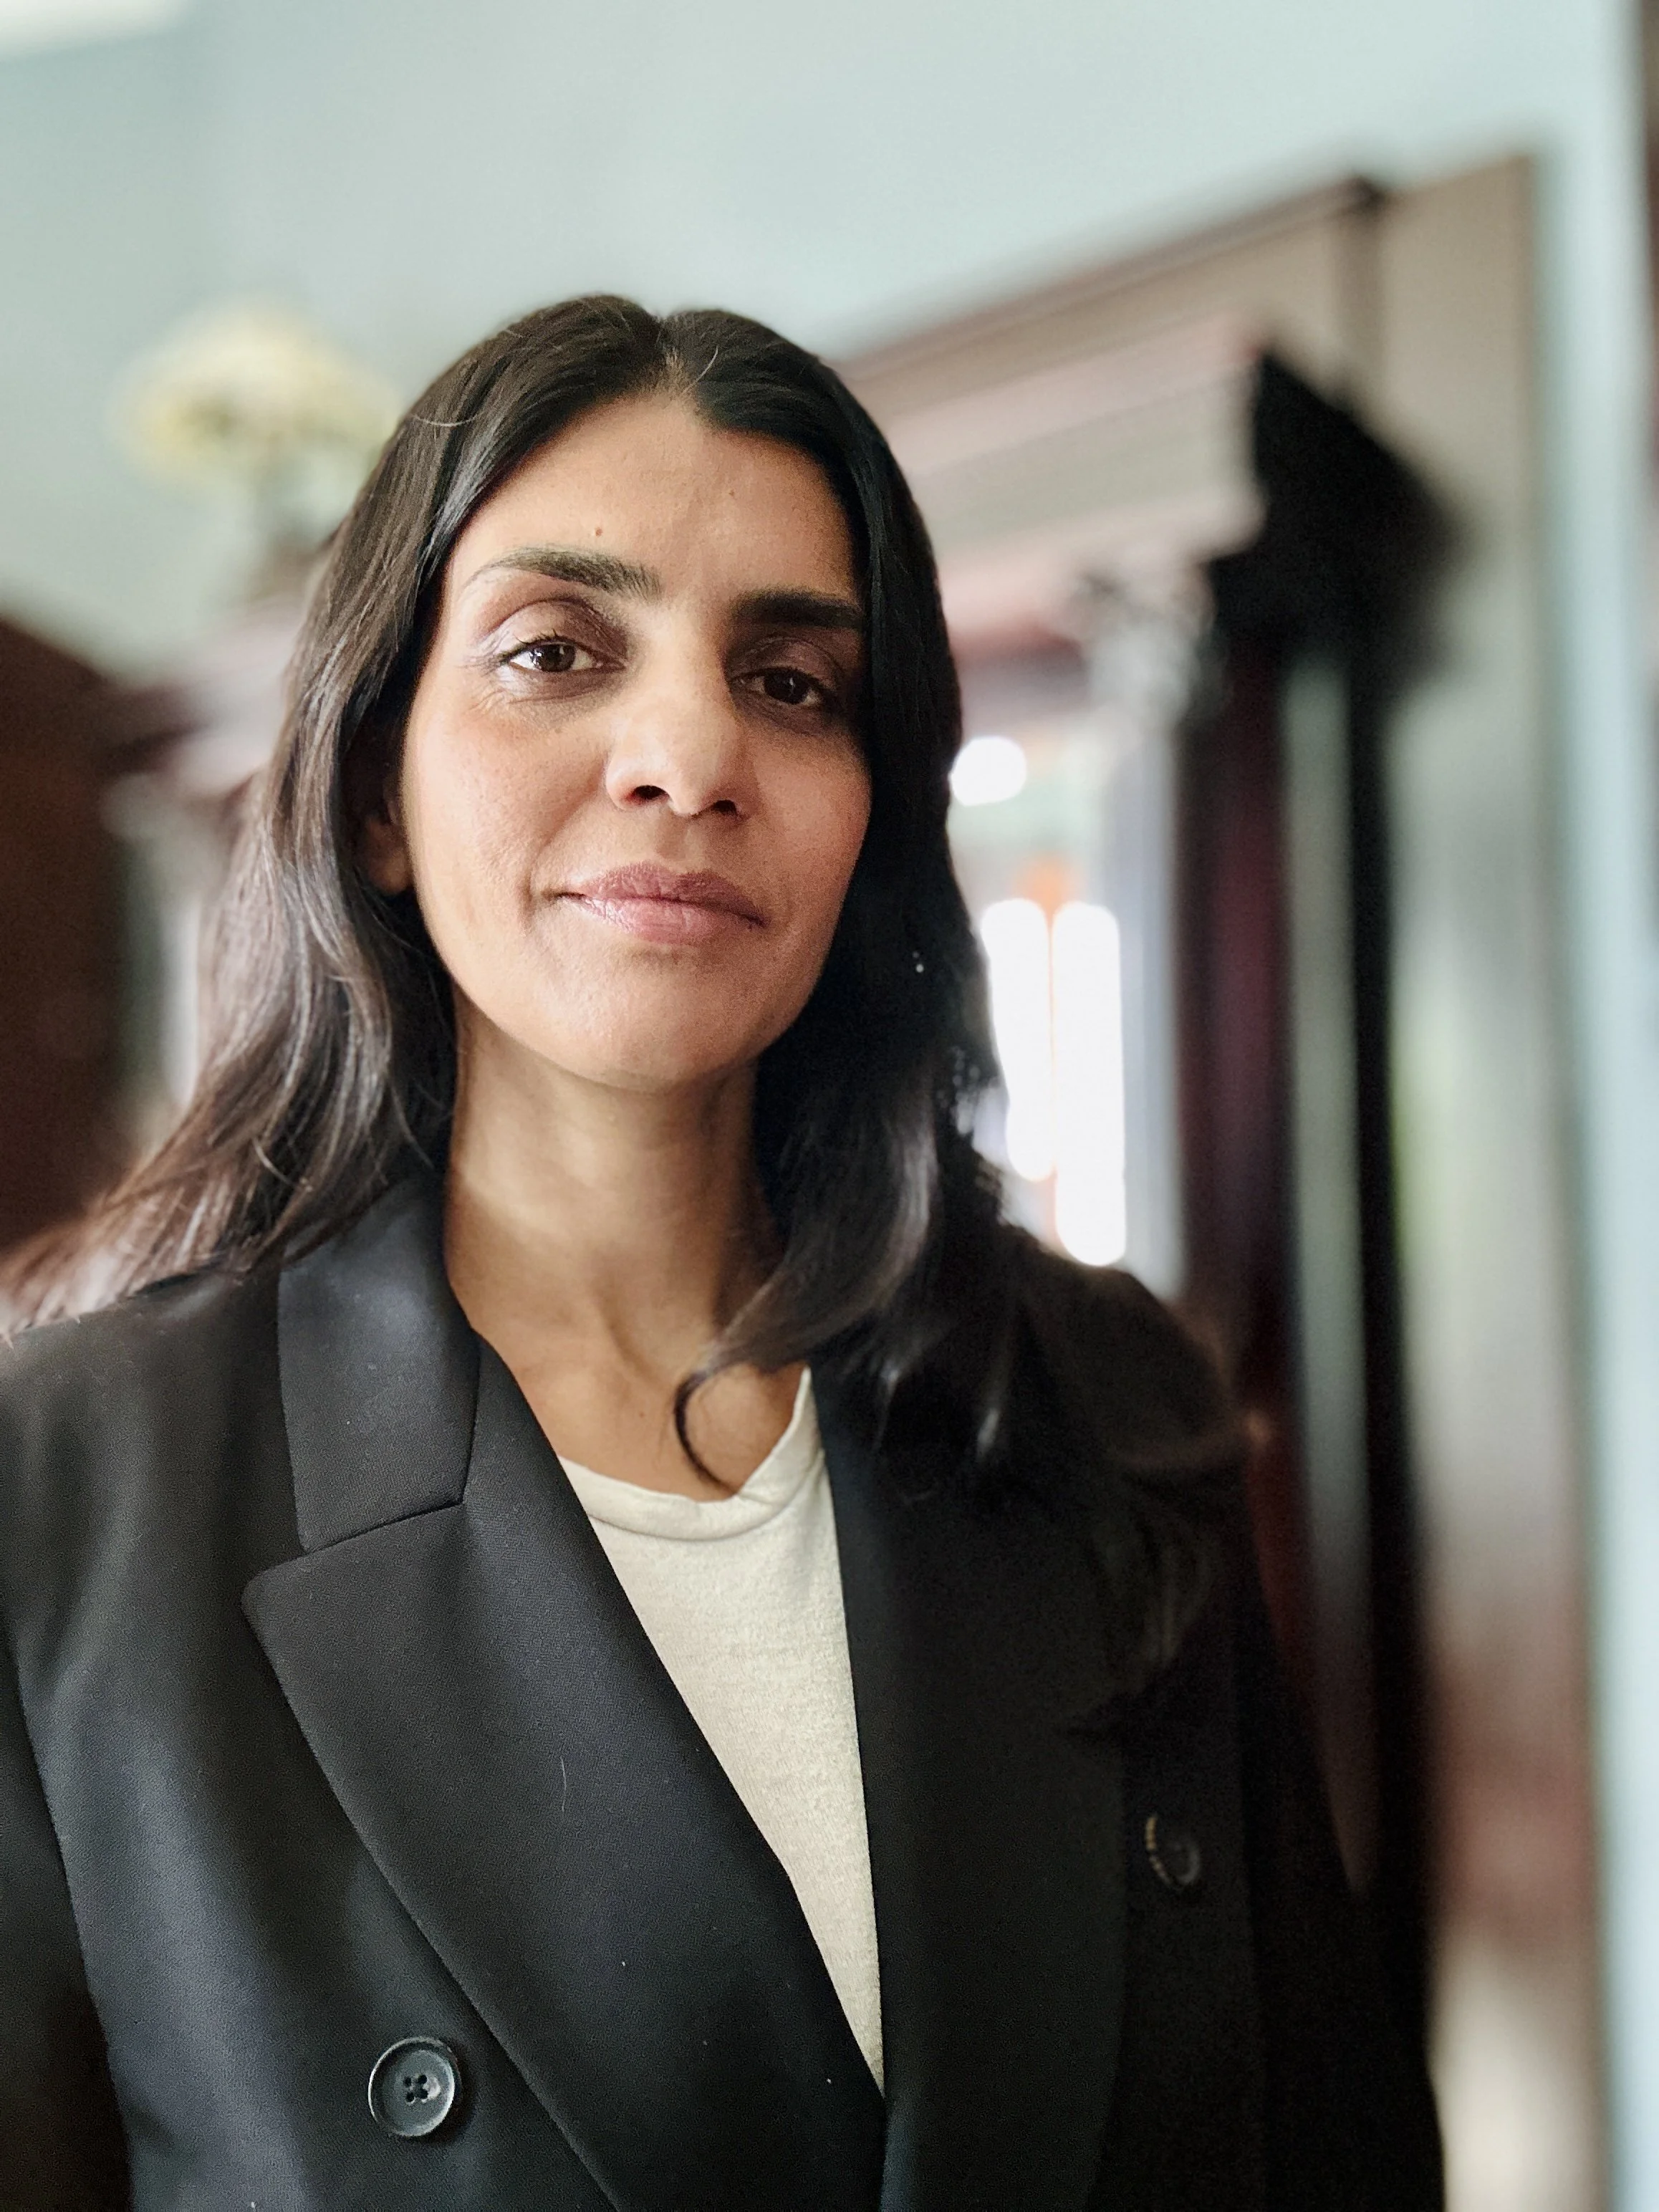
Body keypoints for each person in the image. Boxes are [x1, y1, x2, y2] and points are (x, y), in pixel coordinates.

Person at [0, 296, 1441, 2211]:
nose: (686, 748)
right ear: (372, 792)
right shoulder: (72, 1489)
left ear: (873, 814)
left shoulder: (1107, 1405)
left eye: (791, 682)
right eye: (554, 651)